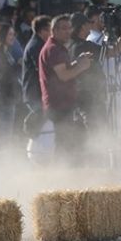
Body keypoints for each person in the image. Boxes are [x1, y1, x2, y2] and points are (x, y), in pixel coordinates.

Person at [38, 14, 94, 160]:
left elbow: (63, 71)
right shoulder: (54, 49)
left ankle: (62, 175)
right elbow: (63, 75)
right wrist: (81, 67)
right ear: (54, 30)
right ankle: (59, 176)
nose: (68, 31)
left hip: (62, 103)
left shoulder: (57, 48)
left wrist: (78, 62)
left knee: (65, 143)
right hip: (58, 105)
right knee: (63, 145)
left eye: (69, 28)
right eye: (64, 28)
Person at [0, 22, 22, 144]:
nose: (12, 37)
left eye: (13, 34)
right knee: (5, 133)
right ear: (2, 36)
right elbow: (4, 76)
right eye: (9, 34)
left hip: (8, 97)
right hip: (4, 98)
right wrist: (18, 65)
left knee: (7, 131)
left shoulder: (5, 53)